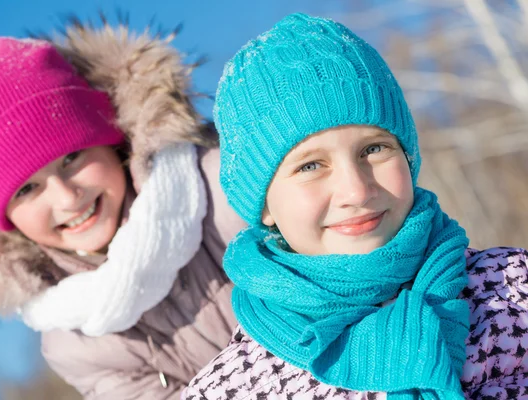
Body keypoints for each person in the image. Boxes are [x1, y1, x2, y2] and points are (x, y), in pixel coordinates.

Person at [182, 13, 528, 399]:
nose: (356, 191)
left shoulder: (514, 288)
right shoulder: (232, 389)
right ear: (263, 206)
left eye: (374, 149)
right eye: (310, 165)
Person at [0, 19, 245, 400]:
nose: (67, 198)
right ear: (6, 221)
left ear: (110, 140)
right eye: (28, 189)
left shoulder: (221, 189)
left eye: (71, 157)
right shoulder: (74, 340)